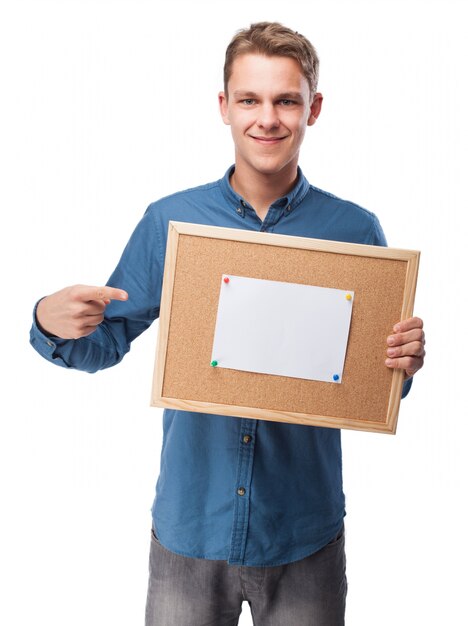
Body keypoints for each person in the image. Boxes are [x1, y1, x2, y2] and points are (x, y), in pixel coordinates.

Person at [30, 22, 425, 626]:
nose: (267, 118)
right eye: (250, 99)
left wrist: (402, 365)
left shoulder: (355, 232)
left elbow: (373, 386)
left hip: (303, 535)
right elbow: (106, 342)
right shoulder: (171, 221)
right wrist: (51, 321)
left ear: (312, 109)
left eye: (285, 100)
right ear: (224, 107)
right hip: (192, 530)